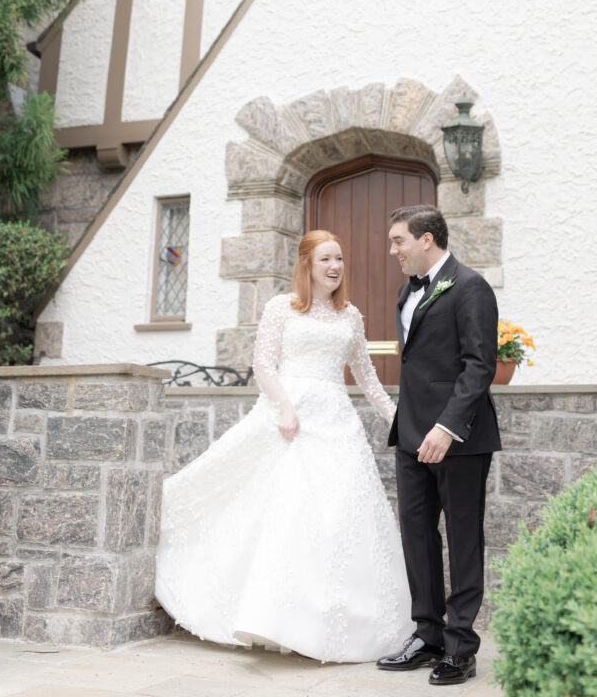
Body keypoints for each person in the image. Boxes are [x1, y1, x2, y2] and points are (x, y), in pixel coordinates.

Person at [155, 229, 413, 663]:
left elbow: (366, 376)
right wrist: (285, 408)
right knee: (286, 511)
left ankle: (331, 618)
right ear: (307, 265)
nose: (335, 267)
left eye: (340, 259)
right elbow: (263, 365)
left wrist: (396, 416)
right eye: (326, 260)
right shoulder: (281, 308)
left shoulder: (350, 315)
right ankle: (270, 615)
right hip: (291, 417)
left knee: (341, 514)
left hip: (336, 422)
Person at [376, 205, 501, 686]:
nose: (393, 251)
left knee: (463, 539)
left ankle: (461, 647)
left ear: (426, 239)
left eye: (398, 241)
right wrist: (411, 425)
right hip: (410, 437)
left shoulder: (470, 286)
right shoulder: (408, 291)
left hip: (459, 440)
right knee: (417, 535)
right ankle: (426, 636)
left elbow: (479, 365)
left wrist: (447, 427)